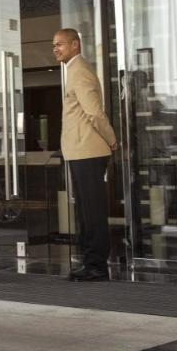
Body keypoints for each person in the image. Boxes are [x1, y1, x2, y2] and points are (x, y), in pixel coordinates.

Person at [52, 28, 117, 282]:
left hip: (88, 151)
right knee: (86, 212)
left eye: (60, 44)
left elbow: (95, 113)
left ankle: (97, 266)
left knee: (92, 212)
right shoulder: (73, 70)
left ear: (75, 45)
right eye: (54, 45)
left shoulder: (80, 71)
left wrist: (112, 140)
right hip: (80, 152)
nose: (55, 49)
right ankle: (91, 263)